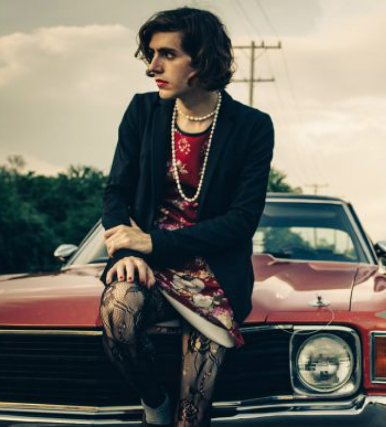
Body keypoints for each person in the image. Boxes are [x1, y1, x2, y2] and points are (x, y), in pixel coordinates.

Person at [98, 6, 274, 427]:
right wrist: (128, 252)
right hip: (148, 266)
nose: (152, 67)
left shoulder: (252, 126)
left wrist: (152, 242)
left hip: (215, 275)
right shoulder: (142, 111)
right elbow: (117, 193)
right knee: (118, 310)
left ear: (203, 59)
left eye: (168, 54)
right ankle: (154, 401)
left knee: (191, 418)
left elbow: (241, 221)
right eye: (151, 54)